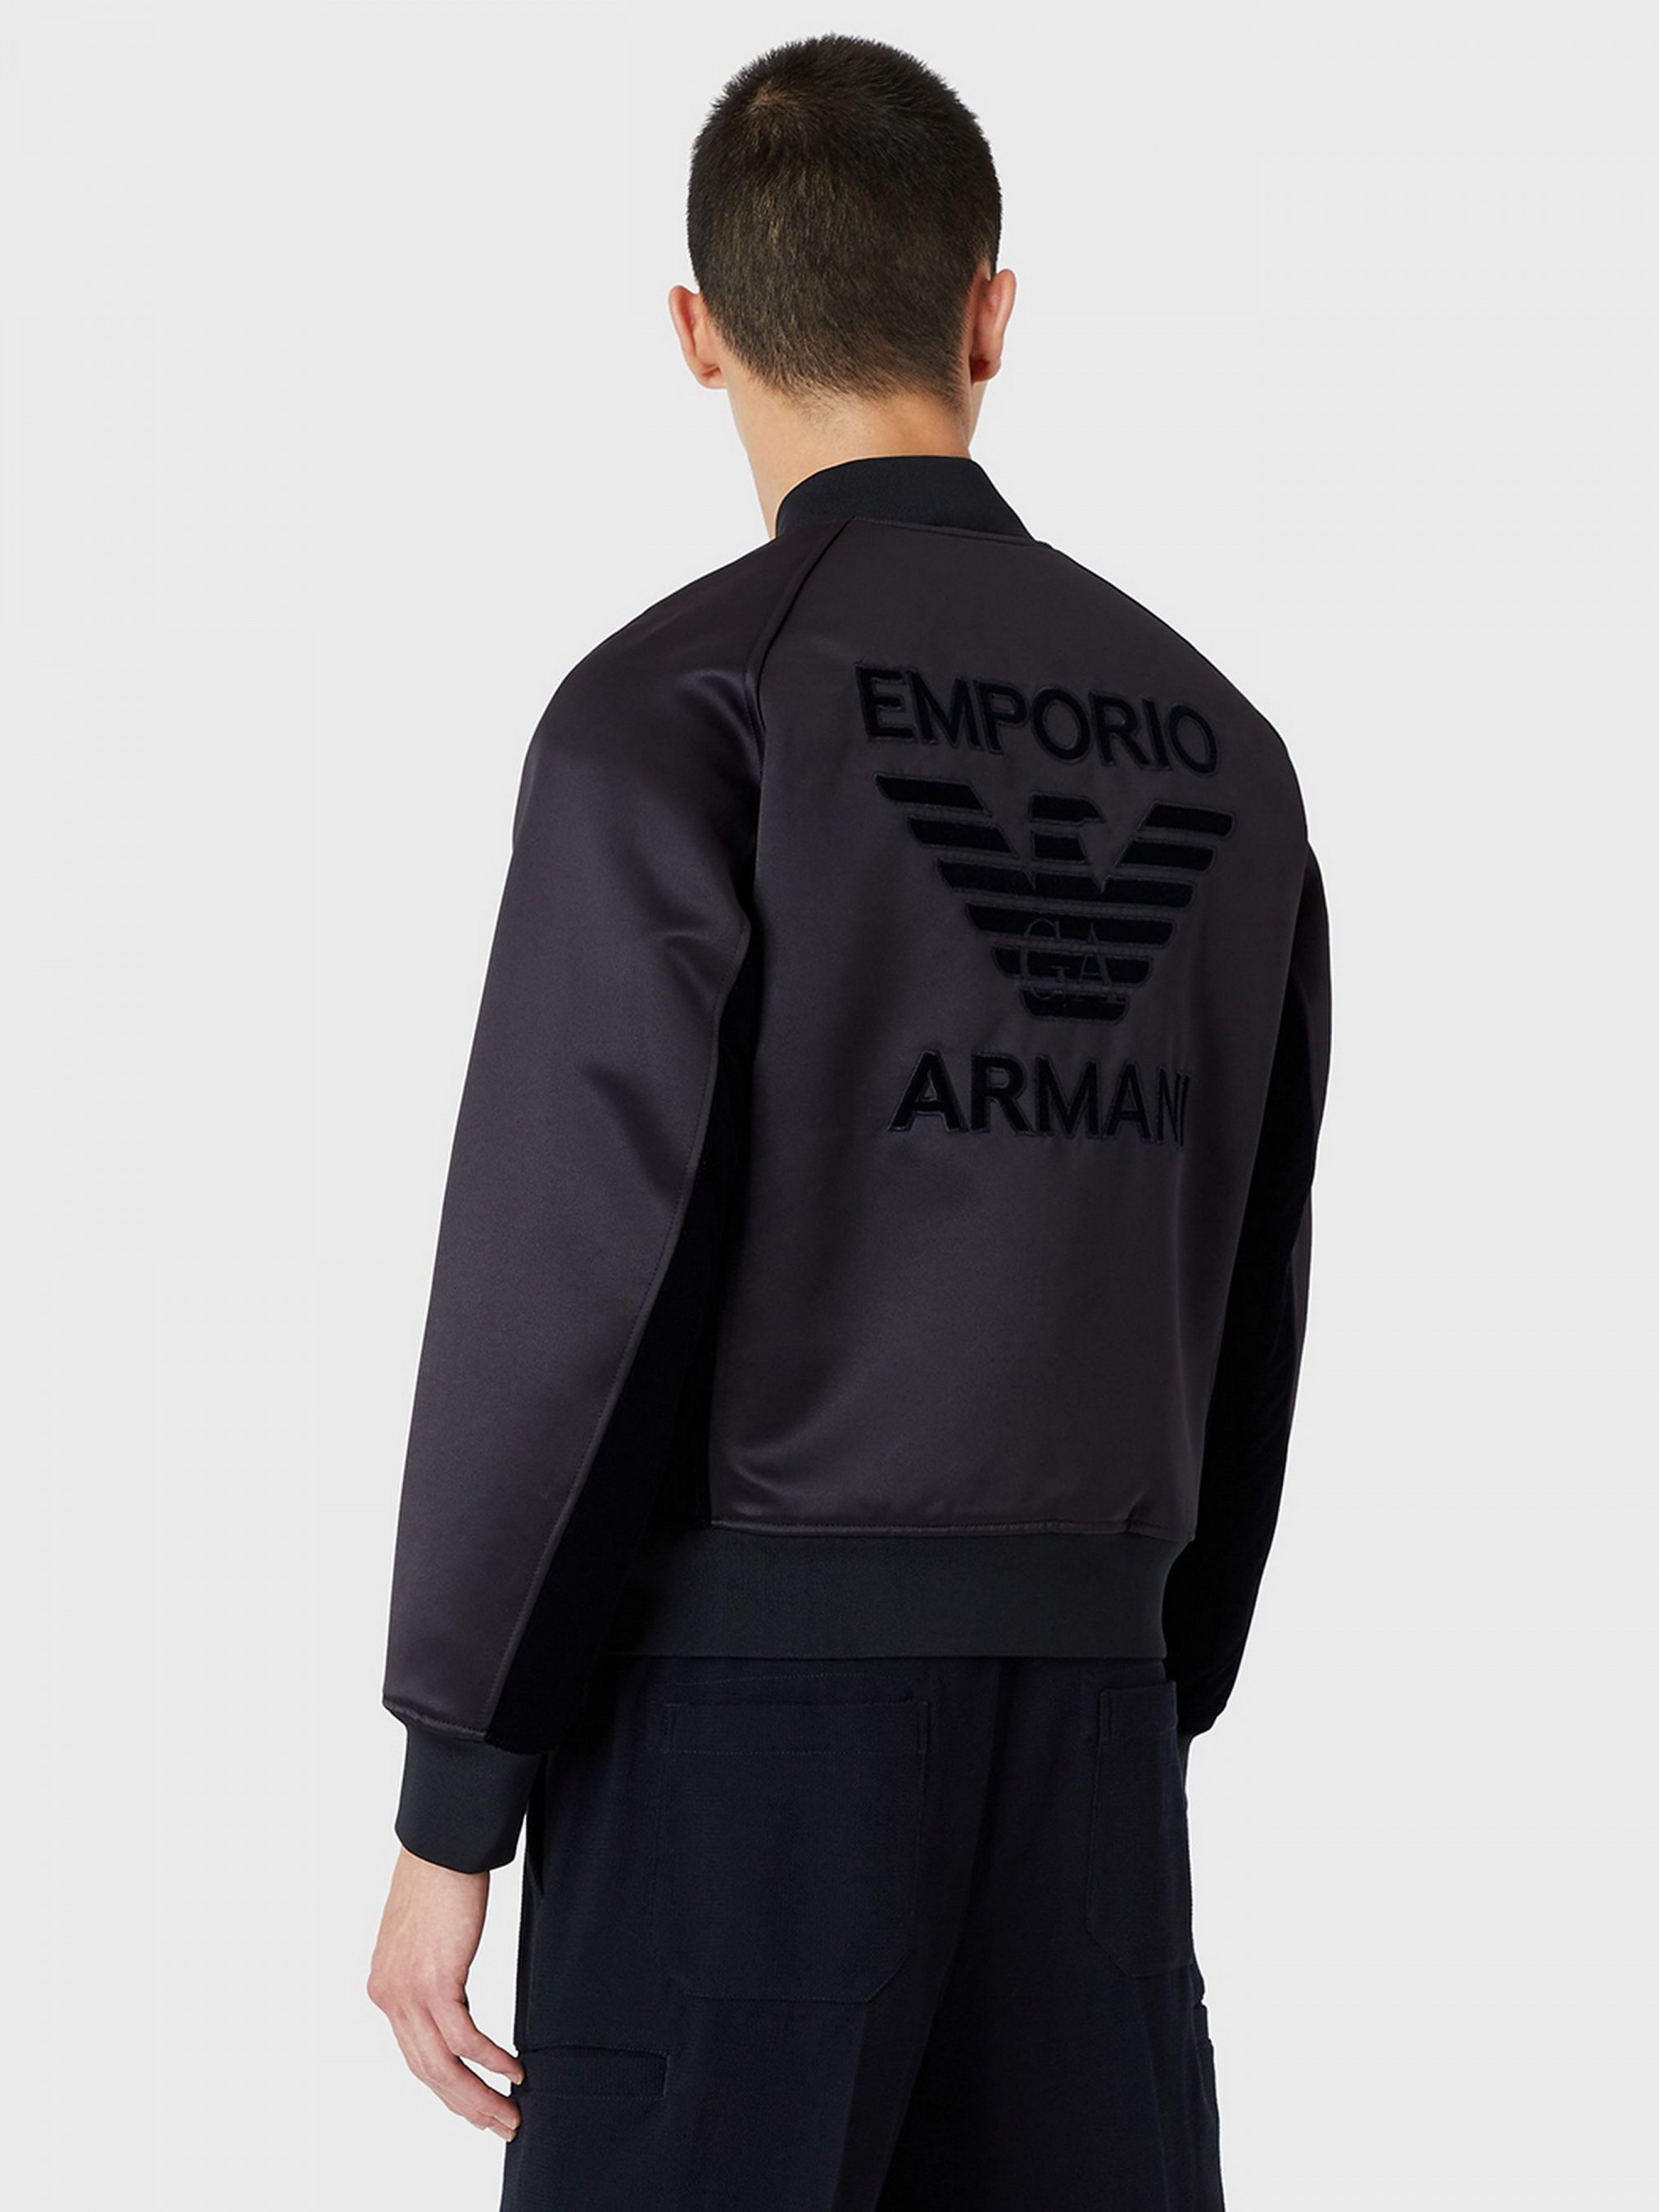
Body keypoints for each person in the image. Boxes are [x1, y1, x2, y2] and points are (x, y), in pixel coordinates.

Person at [368, 33, 1330, 2212]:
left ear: (697, 331)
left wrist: (455, 1787)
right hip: (1093, 1739)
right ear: (991, 315)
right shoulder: (1221, 742)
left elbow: (574, 1271)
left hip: (737, 1749)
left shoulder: (678, 709)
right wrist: (1146, 1664)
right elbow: (1248, 1248)